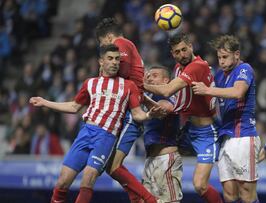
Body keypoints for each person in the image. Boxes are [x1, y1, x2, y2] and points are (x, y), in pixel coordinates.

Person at [29, 44, 160, 203]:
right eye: (110, 59)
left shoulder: (128, 86)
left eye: (117, 59)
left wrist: (148, 115)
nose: (114, 62)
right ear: (101, 62)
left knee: (88, 178)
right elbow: (74, 106)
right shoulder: (90, 83)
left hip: (105, 137)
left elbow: (137, 114)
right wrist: (44, 102)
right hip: (85, 133)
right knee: (62, 181)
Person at [144, 33, 222, 203]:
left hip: (206, 133)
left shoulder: (198, 66)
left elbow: (167, 91)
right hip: (188, 129)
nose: (182, 54)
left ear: (191, 47)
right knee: (163, 153)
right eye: (177, 52)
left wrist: (140, 84)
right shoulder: (179, 67)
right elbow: (179, 99)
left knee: (199, 185)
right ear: (172, 54)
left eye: (184, 49)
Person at [95, 18, 160, 203]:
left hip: (131, 112)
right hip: (128, 108)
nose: (105, 50)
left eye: (103, 44)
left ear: (108, 37)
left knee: (114, 166)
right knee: (109, 165)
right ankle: (136, 198)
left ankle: (148, 199)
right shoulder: (128, 45)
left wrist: (102, 72)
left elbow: (120, 75)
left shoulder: (120, 44)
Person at [192, 35, 260, 203]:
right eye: (219, 57)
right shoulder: (220, 77)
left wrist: (207, 90)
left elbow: (238, 92)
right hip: (225, 138)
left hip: (244, 135)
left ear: (236, 54)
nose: (221, 61)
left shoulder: (244, 69)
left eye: (225, 57)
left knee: (246, 193)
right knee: (229, 194)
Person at [142, 65, 183, 202]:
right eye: (149, 76)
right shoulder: (148, 96)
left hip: (166, 158)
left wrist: (140, 88)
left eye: (155, 76)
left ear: (166, 81)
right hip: (149, 159)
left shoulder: (170, 94)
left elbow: (165, 107)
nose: (150, 79)